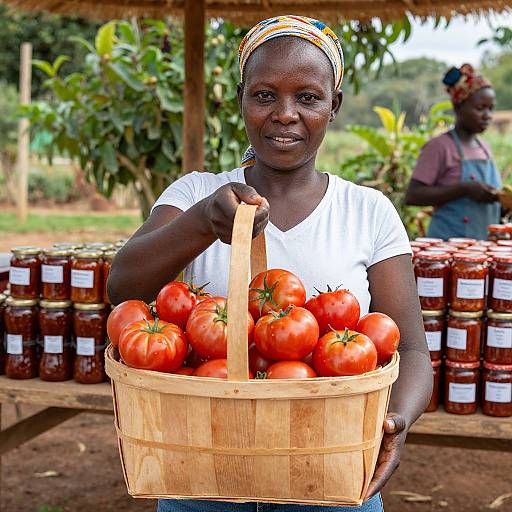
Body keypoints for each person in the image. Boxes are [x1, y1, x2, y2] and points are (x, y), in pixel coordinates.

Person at [108, 15, 432, 512]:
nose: (285, 114)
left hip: (332, 472)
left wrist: (396, 424)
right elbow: (122, 284)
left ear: (333, 105)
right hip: (203, 473)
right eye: (264, 95)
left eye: (307, 97)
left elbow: (410, 349)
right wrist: (201, 223)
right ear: (242, 100)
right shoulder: (196, 192)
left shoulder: (368, 212)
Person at [405, 64, 501, 240]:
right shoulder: (440, 147)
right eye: (480, 108)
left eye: (491, 108)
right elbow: (413, 195)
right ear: (458, 108)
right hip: (448, 247)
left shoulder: (485, 148)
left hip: (480, 250)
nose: (488, 115)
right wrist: (464, 189)